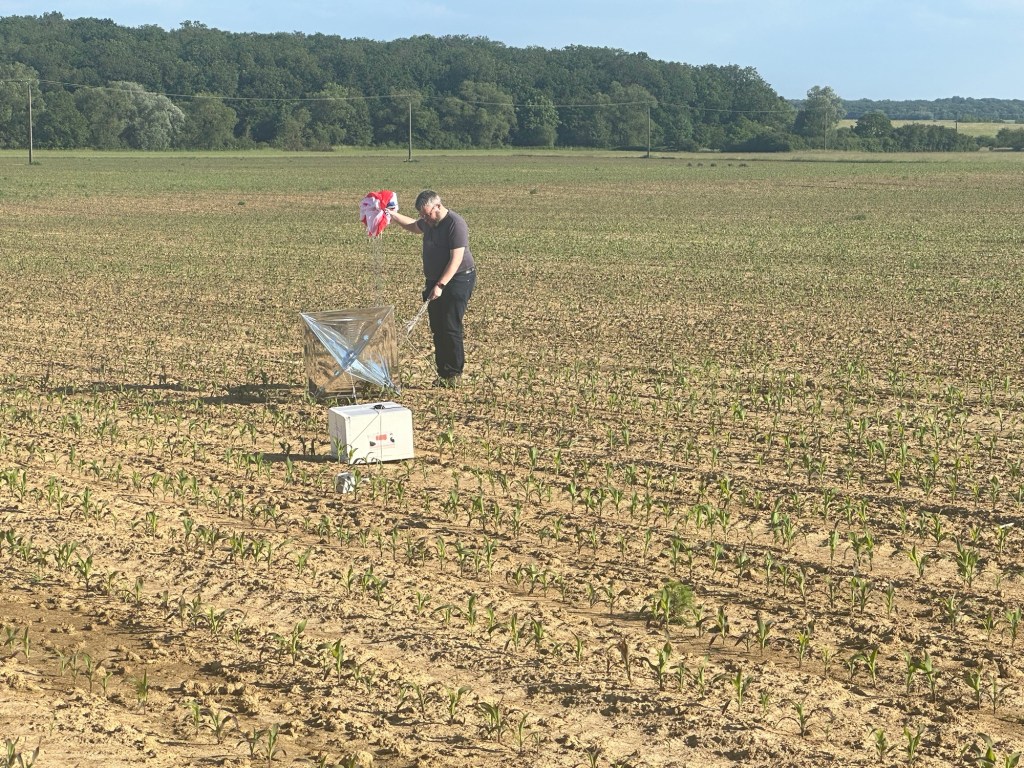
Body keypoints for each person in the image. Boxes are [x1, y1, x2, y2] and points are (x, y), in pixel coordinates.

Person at [390, 190, 476, 388]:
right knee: (437, 327)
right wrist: (392, 216)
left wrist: (440, 285)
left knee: (450, 325)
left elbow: (456, 260)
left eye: (427, 214)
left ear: (437, 206)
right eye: (422, 215)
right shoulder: (428, 222)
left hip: (458, 279)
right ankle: (443, 373)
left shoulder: (455, 224)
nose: (424, 219)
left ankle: (454, 374)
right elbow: (413, 226)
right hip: (435, 280)